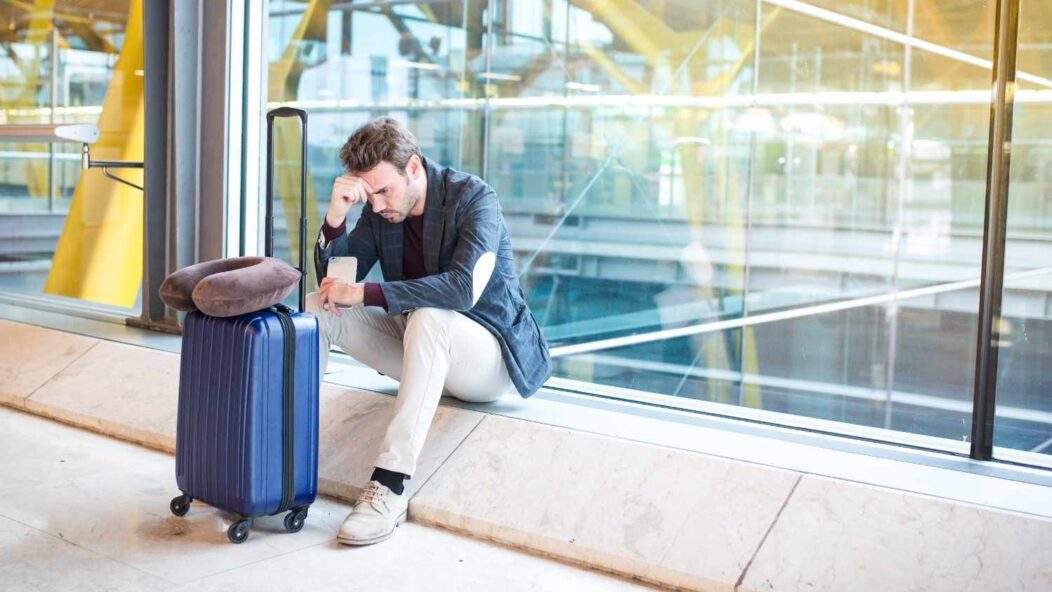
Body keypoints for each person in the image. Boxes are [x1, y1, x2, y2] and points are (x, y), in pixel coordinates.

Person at [306, 117, 551, 546]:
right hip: (422, 347)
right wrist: (336, 215)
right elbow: (338, 281)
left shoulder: (473, 197)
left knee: (430, 316)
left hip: (488, 358)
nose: (378, 205)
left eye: (384, 191)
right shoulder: (381, 212)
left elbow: (462, 289)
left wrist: (364, 293)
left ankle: (390, 486)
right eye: (370, 194)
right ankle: (290, 454)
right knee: (317, 306)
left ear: (414, 168)